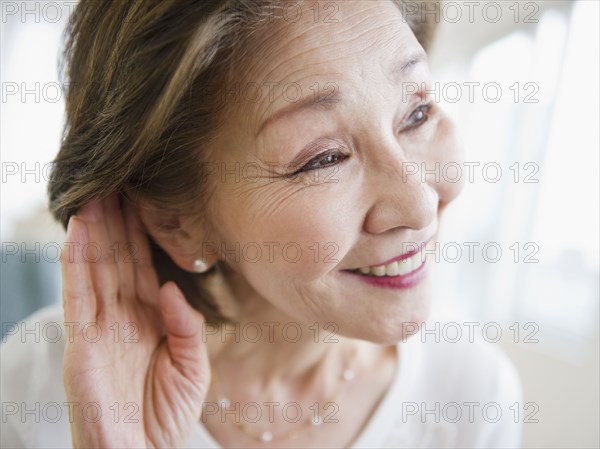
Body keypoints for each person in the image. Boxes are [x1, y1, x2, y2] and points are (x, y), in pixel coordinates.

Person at [1, 0, 522, 447]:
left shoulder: (473, 397)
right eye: (325, 158)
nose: (419, 204)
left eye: (417, 113)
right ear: (177, 224)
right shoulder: (35, 390)